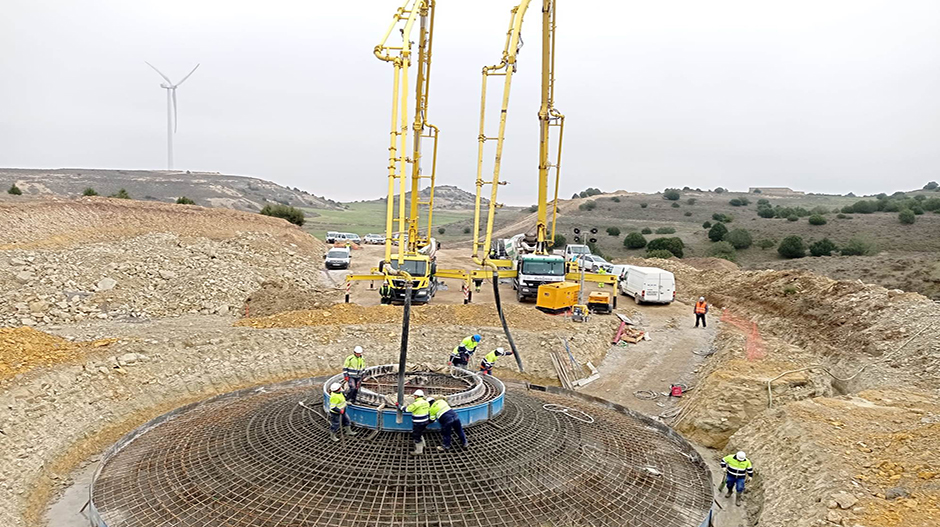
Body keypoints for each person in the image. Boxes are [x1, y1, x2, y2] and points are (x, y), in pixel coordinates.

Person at [403, 389, 431, 455]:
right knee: (420, 432)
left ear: (416, 396)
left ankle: (419, 451)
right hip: (425, 421)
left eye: (414, 395)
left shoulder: (416, 404)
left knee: (416, 435)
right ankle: (423, 445)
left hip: (418, 422)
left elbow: (406, 410)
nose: (413, 397)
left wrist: (399, 406)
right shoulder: (426, 402)